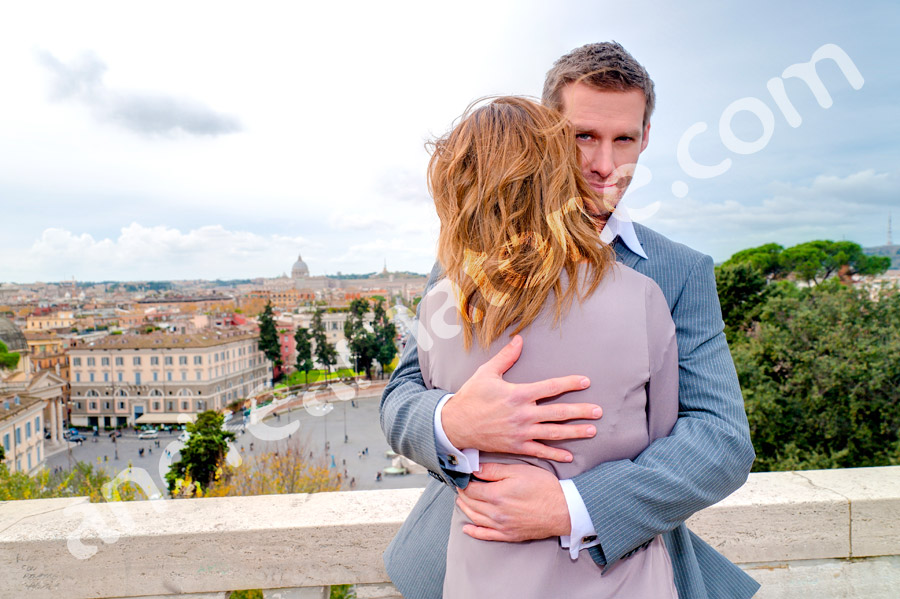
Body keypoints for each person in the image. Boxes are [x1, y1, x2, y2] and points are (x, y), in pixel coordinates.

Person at [381, 42, 758, 599]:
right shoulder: (466, 256)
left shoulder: (680, 272)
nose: (606, 166)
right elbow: (397, 398)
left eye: (624, 139)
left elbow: (721, 440)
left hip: (621, 568)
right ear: (546, 133)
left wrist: (573, 506)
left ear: (645, 137)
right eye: (584, 136)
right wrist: (453, 423)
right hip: (463, 559)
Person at [416, 96, 680, 597]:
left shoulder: (439, 309)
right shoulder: (641, 297)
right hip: (620, 579)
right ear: (558, 175)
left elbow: (415, 397)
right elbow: (664, 442)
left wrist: (451, 423)